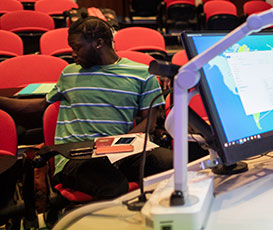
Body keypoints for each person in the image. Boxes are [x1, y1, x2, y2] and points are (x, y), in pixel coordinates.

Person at [0, 17, 173, 199]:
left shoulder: (142, 74)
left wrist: (118, 145)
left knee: (177, 164)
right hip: (76, 157)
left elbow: (150, 123)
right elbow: (39, 106)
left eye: (77, 48)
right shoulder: (70, 72)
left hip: (122, 152)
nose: (73, 54)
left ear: (99, 43)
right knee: (114, 187)